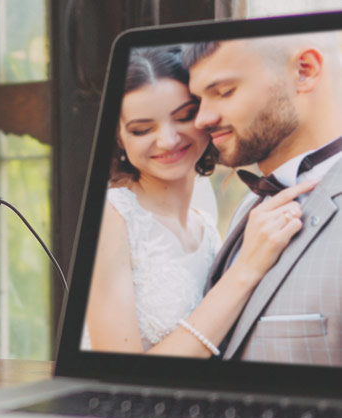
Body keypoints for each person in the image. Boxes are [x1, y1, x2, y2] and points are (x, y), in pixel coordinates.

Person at [84, 46, 315, 357]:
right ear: (119, 139)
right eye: (142, 129)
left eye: (184, 117)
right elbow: (116, 372)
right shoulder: (110, 217)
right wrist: (246, 269)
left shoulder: (206, 223)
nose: (168, 140)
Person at [185, 34, 342, 365]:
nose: (202, 119)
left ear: (304, 71)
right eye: (198, 99)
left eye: (224, 91)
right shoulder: (250, 205)